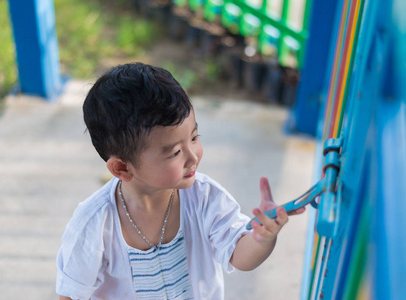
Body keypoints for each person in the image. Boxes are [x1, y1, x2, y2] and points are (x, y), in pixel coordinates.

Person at [56, 62, 304, 300]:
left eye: (195, 137)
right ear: (122, 168)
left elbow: (238, 254)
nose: (193, 156)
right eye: (175, 152)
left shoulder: (204, 198)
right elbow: (71, 293)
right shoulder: (94, 224)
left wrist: (262, 238)